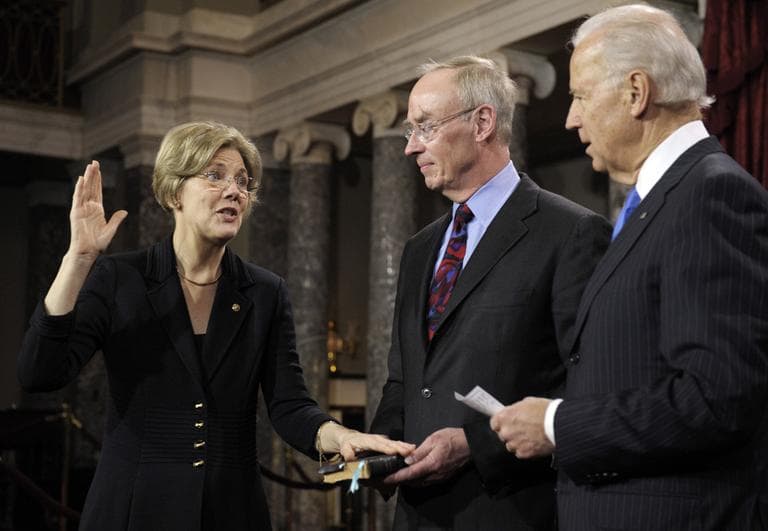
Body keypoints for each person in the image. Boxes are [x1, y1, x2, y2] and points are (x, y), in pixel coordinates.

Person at [17, 121, 414, 531]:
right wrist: (79, 259)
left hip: (232, 512)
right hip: (134, 510)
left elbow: (290, 405)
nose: (235, 191)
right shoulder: (122, 278)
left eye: (243, 182)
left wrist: (340, 436)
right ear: (174, 192)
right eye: (214, 176)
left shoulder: (265, 291)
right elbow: (39, 373)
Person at [490, 4, 768, 530]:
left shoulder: (712, 194)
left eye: (579, 96)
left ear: (636, 92)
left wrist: (557, 423)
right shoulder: (659, 198)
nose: (571, 118)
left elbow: (716, 399)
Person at [369, 56, 612, 530]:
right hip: (415, 515)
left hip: (509, 509)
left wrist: (474, 446)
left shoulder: (572, 234)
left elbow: (587, 386)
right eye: (410, 131)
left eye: (425, 127)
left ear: (482, 122)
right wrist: (380, 447)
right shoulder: (419, 249)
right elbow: (404, 378)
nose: (411, 147)